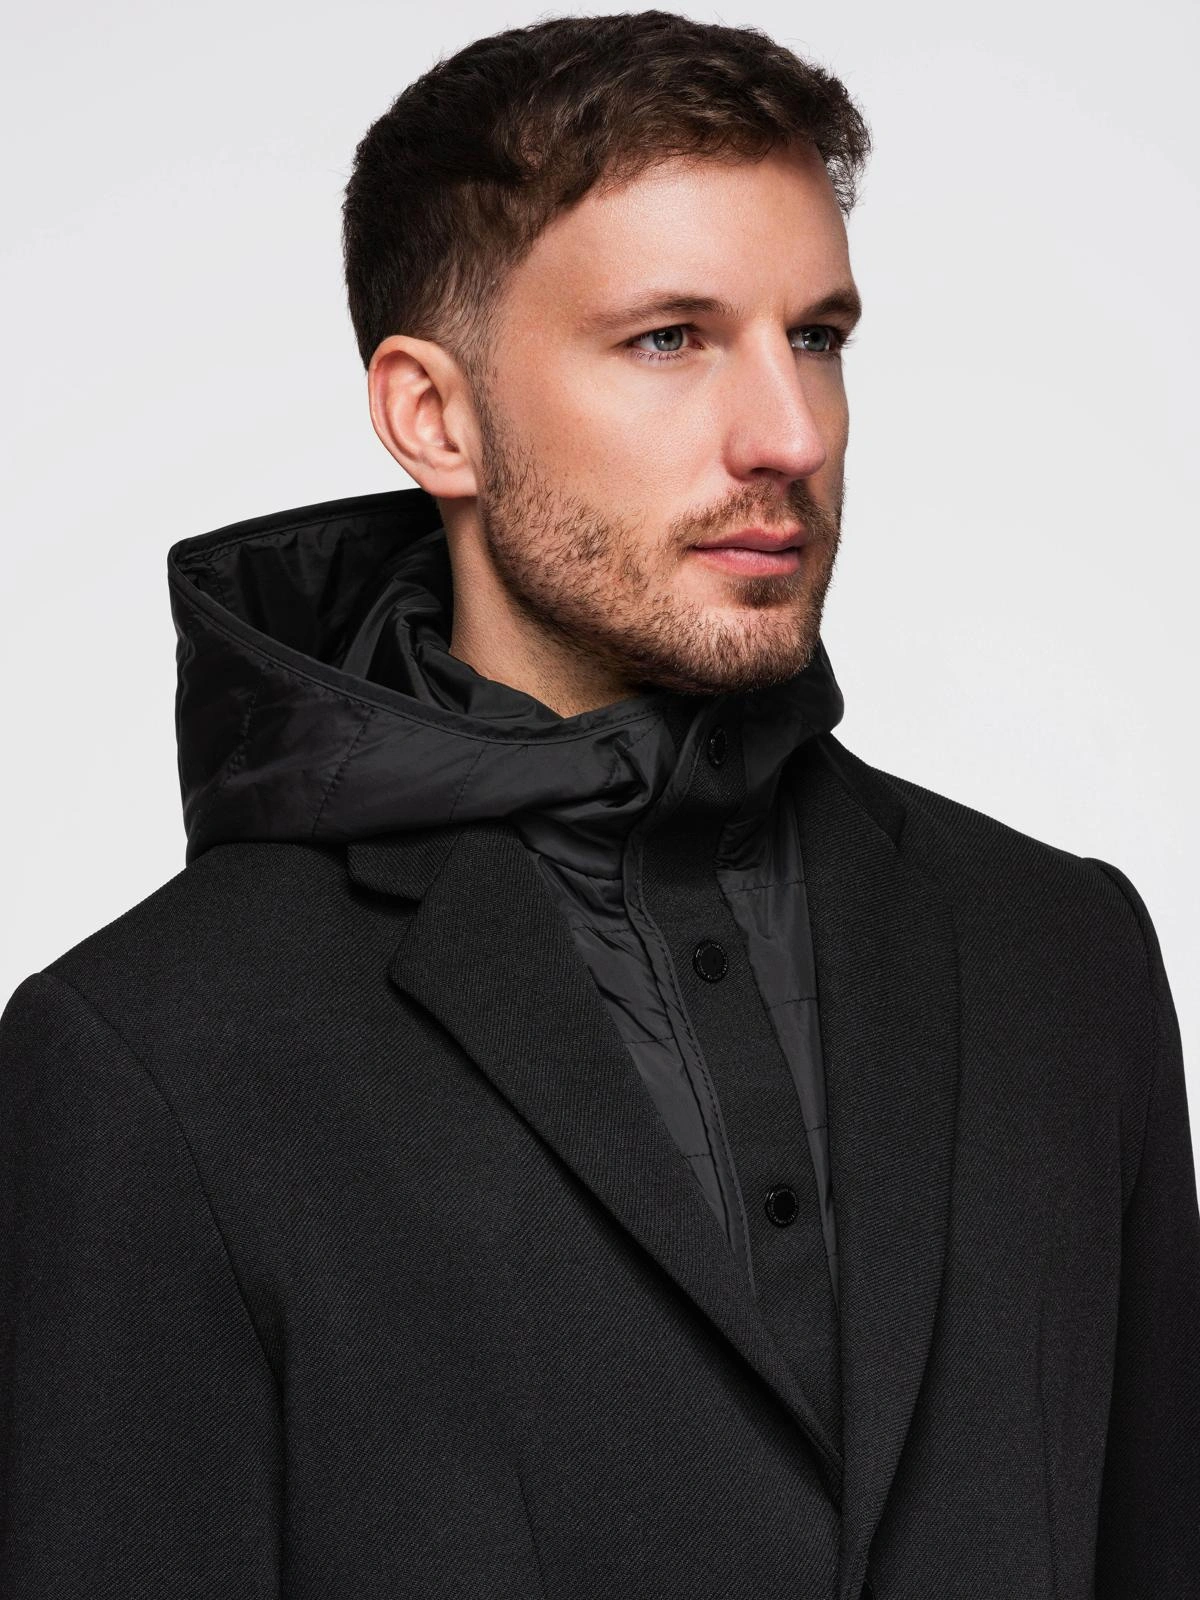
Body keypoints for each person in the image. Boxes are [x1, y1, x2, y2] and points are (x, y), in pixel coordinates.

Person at [1, 10, 1196, 1597]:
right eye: (669, 339)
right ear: (434, 416)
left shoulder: (1066, 954)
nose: (789, 435)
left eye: (818, 337)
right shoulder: (151, 1059)